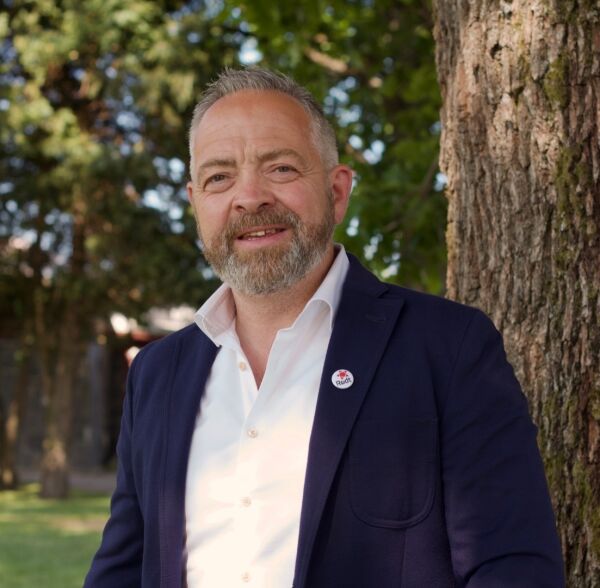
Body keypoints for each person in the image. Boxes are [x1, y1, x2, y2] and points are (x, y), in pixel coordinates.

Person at [84, 68, 565, 587]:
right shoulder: (157, 373)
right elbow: (122, 570)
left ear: (337, 191)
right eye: (219, 177)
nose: (249, 197)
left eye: (281, 168)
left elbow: (513, 569)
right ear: (196, 202)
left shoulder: (448, 349)